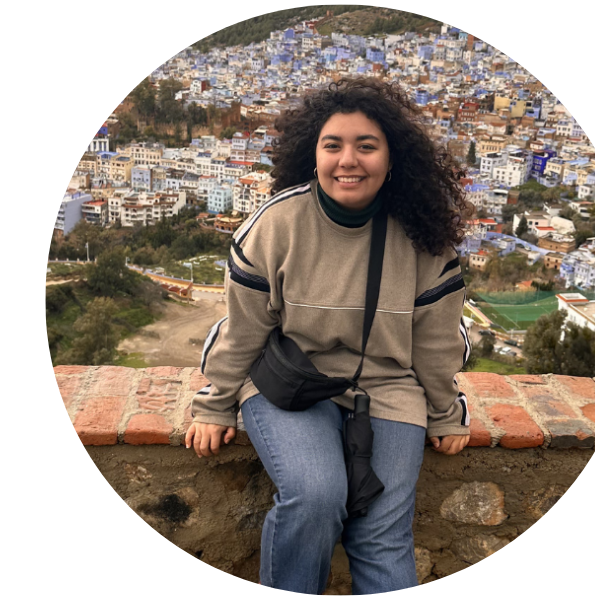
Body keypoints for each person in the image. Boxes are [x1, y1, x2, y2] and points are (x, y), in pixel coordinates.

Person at [185, 77, 473, 595]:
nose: (349, 160)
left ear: (391, 158)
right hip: (291, 380)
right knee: (316, 497)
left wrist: (445, 414)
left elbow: (435, 344)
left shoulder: (422, 238)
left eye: (366, 146)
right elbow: (243, 328)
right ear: (312, 154)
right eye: (333, 145)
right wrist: (214, 404)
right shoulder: (278, 225)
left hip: (389, 388)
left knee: (382, 532)